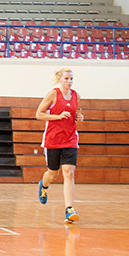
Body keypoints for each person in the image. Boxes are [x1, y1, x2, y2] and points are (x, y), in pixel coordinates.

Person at [36, 68, 83, 223]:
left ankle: (69, 209)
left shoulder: (76, 96)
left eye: (71, 79)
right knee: (53, 173)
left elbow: (75, 115)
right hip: (53, 139)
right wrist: (58, 116)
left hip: (70, 139)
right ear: (60, 79)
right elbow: (39, 114)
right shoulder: (53, 94)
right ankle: (44, 185)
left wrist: (79, 117)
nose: (69, 81)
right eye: (67, 79)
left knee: (68, 173)